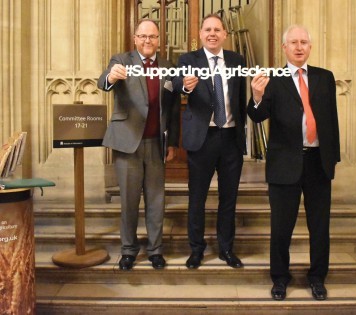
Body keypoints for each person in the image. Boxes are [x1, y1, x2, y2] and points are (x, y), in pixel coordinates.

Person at [248, 24, 340, 301]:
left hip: (317, 163)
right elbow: (256, 116)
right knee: (281, 227)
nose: (299, 47)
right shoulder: (272, 78)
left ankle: (317, 278)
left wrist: (332, 159)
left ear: (310, 47)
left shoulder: (325, 78)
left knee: (320, 226)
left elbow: (332, 121)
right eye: (293, 42)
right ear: (284, 47)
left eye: (304, 42)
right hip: (284, 164)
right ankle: (280, 278)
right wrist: (256, 96)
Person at [98, 19, 180, 271]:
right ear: (135, 38)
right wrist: (111, 76)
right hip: (128, 143)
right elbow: (104, 81)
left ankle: (155, 250)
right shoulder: (121, 60)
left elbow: (173, 107)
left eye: (152, 36)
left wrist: (173, 142)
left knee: (156, 200)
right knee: (129, 201)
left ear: (159, 40)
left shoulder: (167, 66)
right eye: (143, 36)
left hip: (156, 143)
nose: (148, 41)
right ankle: (128, 250)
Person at [173, 14, 247, 269]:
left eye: (217, 29)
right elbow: (175, 84)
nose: (212, 33)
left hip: (230, 138)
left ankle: (226, 248)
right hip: (202, 140)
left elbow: (239, 99)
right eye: (208, 29)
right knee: (197, 198)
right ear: (201, 34)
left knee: (229, 199)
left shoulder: (237, 60)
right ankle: (196, 250)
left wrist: (242, 136)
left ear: (225, 34)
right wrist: (185, 86)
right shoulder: (188, 60)